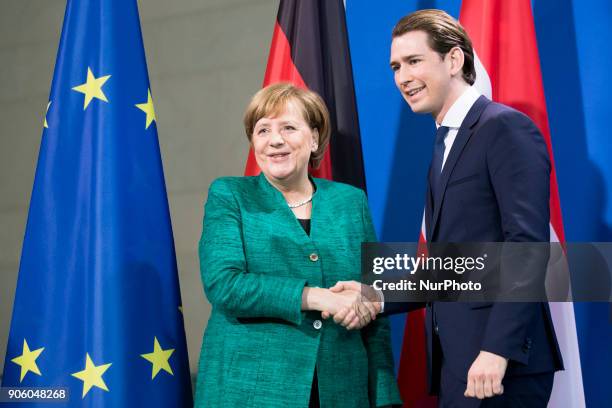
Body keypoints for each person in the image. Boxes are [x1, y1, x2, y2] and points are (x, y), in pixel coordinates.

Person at [330, 9, 564, 407]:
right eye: (395, 66)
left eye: (414, 61)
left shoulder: (503, 128)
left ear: (454, 60)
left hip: (499, 366)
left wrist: (497, 350)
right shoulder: (444, 142)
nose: (402, 77)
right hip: (458, 365)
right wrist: (379, 295)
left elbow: (525, 246)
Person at [194, 83, 402, 408]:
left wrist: (385, 396)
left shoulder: (350, 201)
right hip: (250, 389)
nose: (274, 140)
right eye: (262, 130)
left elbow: (372, 295)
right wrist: (318, 298)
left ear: (315, 138)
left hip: (343, 389)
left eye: (288, 127)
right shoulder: (230, 195)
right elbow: (225, 285)